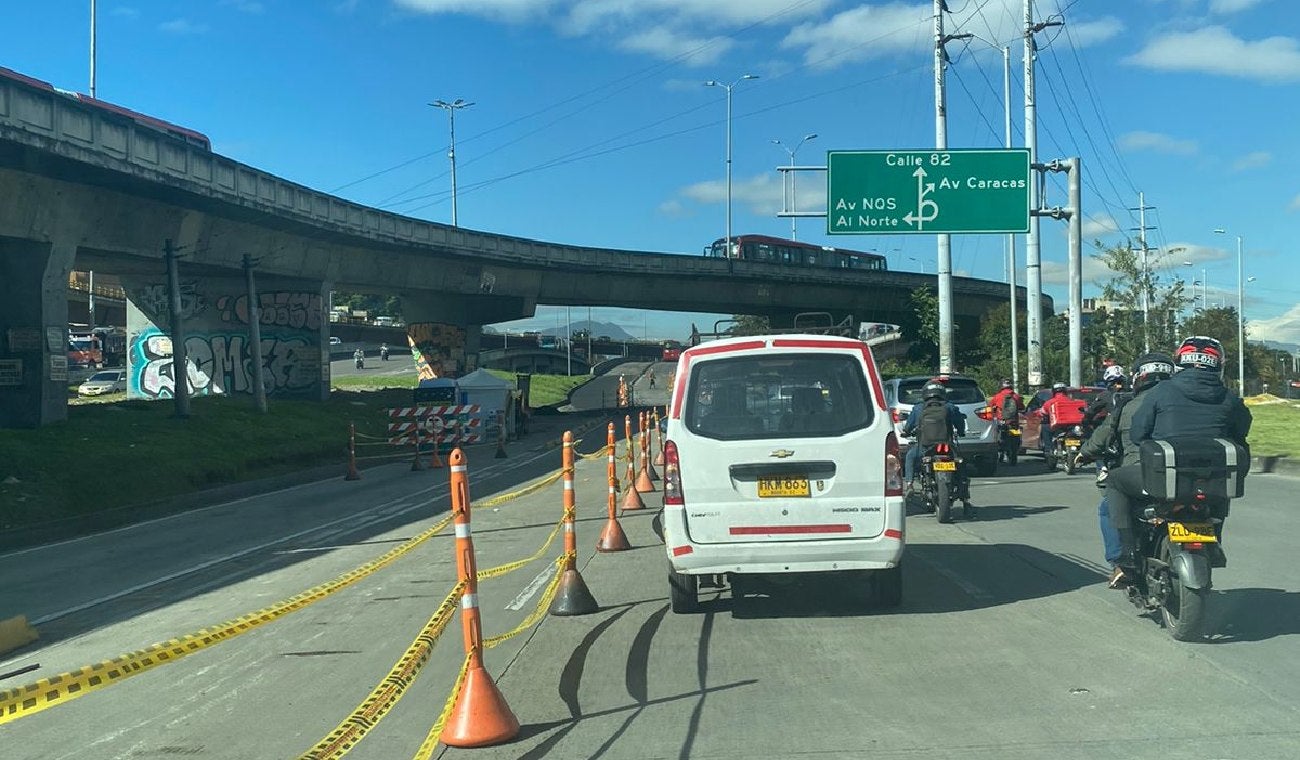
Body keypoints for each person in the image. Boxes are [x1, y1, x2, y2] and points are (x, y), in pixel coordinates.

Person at [1102, 336, 1252, 588]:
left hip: (1165, 477)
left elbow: (1139, 433)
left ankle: (1126, 557)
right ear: (1218, 365)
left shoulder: (1162, 391)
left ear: (1180, 361)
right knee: (1222, 482)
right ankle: (1215, 540)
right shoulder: (1229, 398)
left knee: (1115, 482)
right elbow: (1242, 430)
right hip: (1210, 479)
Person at [1076, 353, 1174, 582]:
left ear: (1139, 377)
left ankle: (1122, 561)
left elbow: (1101, 438)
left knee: (1107, 506)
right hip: (1188, 476)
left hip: (1143, 476)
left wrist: (1083, 453)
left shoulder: (1128, 405)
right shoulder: (1185, 402)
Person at [902, 379, 967, 493]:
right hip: (947, 446)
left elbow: (908, 426)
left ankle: (909, 485)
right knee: (960, 462)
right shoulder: (950, 407)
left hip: (925, 447)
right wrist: (961, 432)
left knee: (910, 457)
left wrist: (906, 432)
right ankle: (964, 490)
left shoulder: (918, 408)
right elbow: (960, 422)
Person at [1083, 364, 1128, 431]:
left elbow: (1092, 410)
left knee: (1096, 440)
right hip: (1133, 428)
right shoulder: (1132, 392)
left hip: (1116, 429)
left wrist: (1085, 421)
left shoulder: (1106, 395)